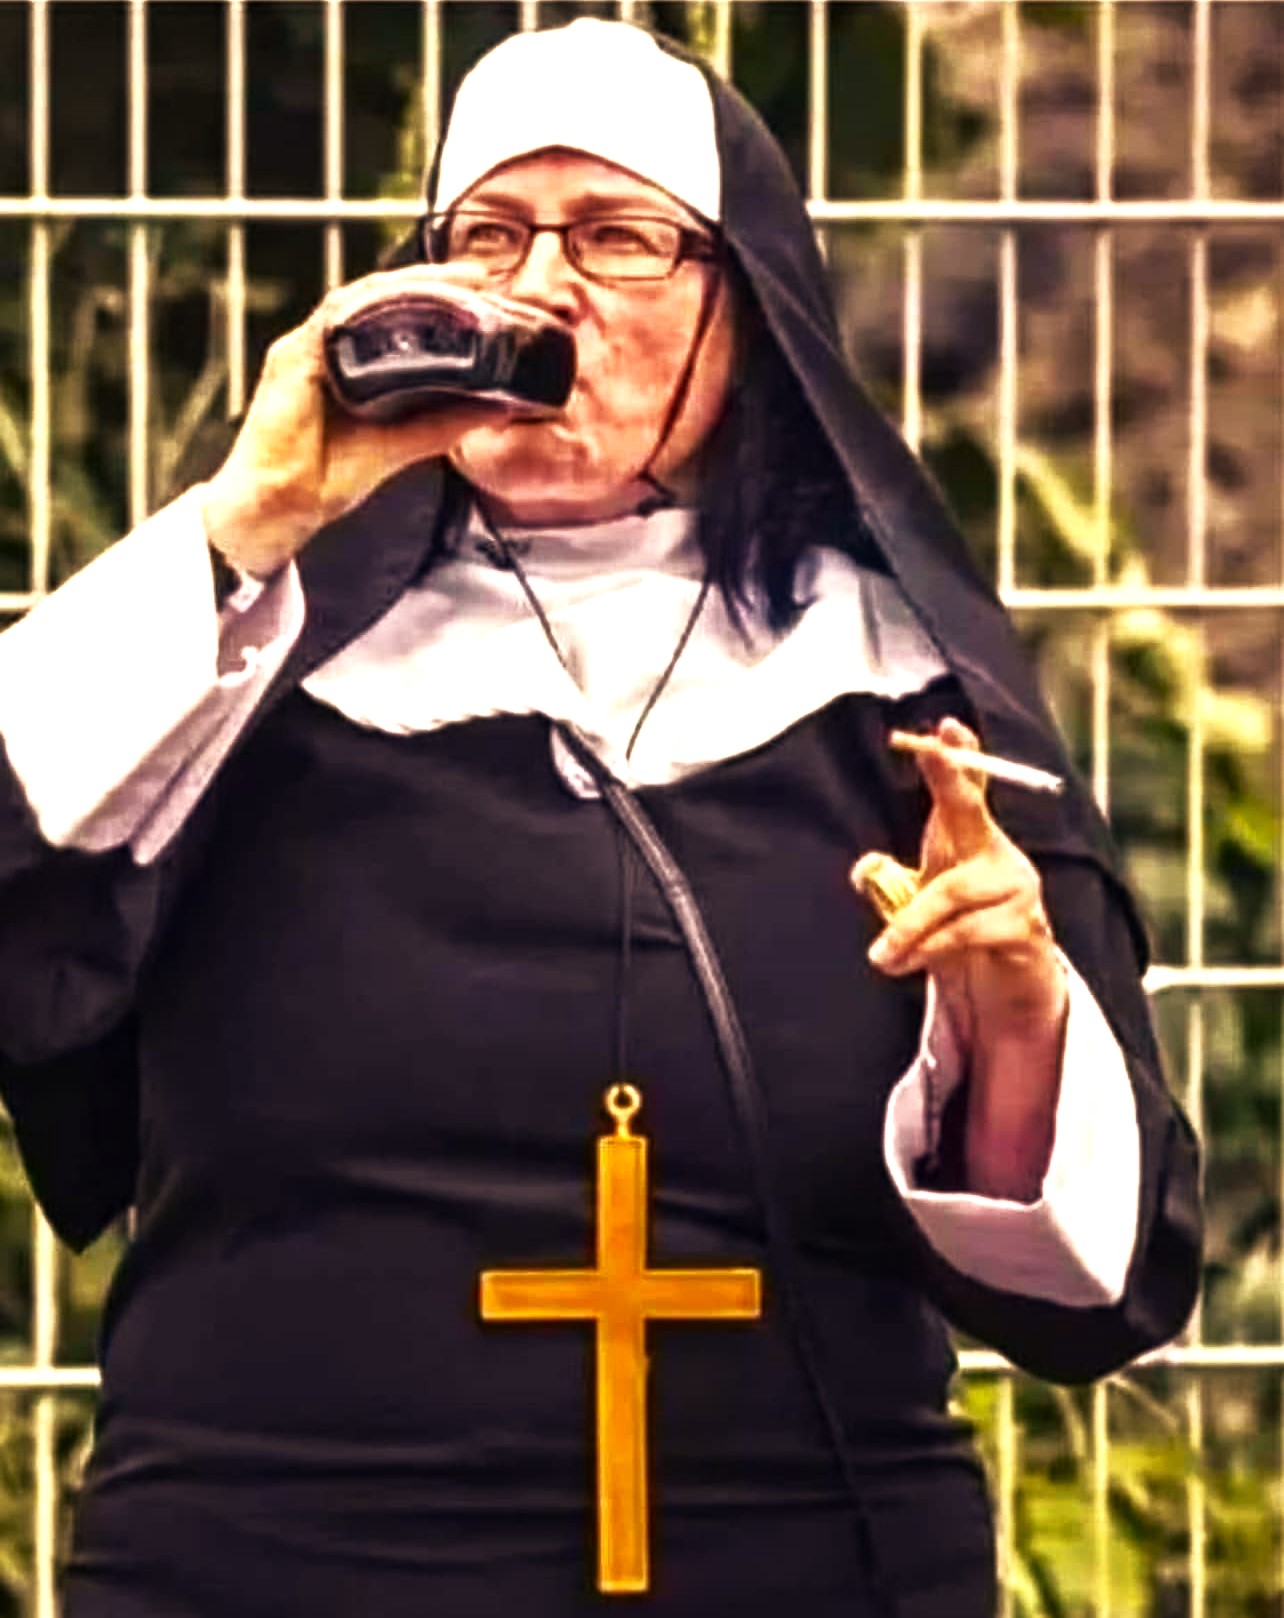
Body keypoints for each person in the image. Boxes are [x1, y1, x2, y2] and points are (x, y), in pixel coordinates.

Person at [0, 19, 1200, 1618]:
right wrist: (248, 519)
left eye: (621, 237)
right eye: (487, 236)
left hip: (799, 1557)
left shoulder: (895, 700)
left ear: (746, 312)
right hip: (268, 1555)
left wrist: (1020, 1021)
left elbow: (1092, 1297)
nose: (539, 286)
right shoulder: (245, 645)